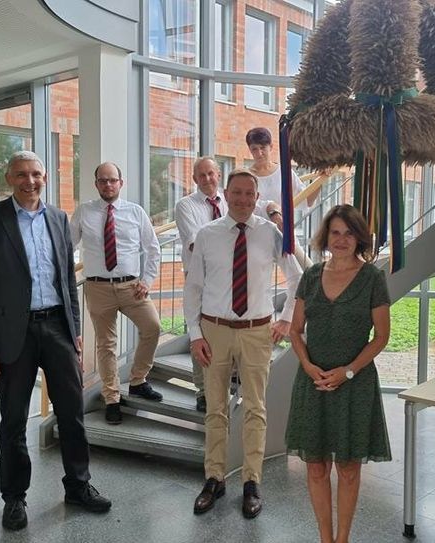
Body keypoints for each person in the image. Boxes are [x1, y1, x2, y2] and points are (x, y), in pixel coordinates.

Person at [0, 151, 111, 531]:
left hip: (58, 329)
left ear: (46, 176)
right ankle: (14, 498)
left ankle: (78, 486)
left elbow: (67, 279)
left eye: (36, 174)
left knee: (72, 413)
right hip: (11, 335)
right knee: (14, 419)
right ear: (8, 178)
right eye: (21, 175)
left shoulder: (59, 218)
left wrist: (75, 331)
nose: (29, 181)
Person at [184, 168, 302, 519]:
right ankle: (214, 478)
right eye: (236, 193)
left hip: (256, 331)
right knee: (215, 408)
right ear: (226, 193)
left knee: (255, 408)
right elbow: (193, 289)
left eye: (249, 194)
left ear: (256, 197)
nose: (242, 199)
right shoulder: (207, 235)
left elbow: (296, 277)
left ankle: (252, 481)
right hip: (215, 330)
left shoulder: (271, 234)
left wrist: (286, 318)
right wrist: (194, 335)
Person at [285, 205, 391, 543]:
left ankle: (342, 539)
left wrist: (347, 372)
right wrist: (306, 364)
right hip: (313, 382)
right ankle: (325, 538)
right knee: (315, 467)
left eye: (348, 233)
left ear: (359, 237)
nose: (342, 239)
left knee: (347, 468)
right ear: (325, 237)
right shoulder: (312, 276)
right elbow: (295, 330)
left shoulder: (372, 277)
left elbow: (382, 337)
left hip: (354, 384)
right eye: (335, 233)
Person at [71, 162, 163, 425]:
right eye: (103, 180)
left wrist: (147, 280)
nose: (108, 185)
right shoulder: (84, 212)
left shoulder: (135, 212)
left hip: (132, 286)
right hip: (98, 287)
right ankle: (112, 398)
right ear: (96, 183)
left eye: (112, 180)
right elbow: (67, 246)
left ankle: (138, 380)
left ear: (121, 183)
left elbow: (153, 248)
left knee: (153, 328)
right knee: (106, 344)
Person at [174, 156, 227, 413]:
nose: (207, 179)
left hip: (228, 279)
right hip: (200, 280)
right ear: (195, 179)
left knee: (225, 331)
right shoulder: (185, 206)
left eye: (211, 174)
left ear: (218, 175)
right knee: (199, 333)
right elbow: (197, 244)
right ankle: (202, 390)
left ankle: (224, 383)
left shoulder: (230, 202)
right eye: (201, 175)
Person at [246, 127, 317, 208]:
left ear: (271, 147)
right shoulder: (246, 176)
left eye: (263, 148)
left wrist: (320, 179)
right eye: (254, 149)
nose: (259, 153)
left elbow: (307, 201)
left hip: (281, 220)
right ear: (250, 150)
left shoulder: (284, 172)